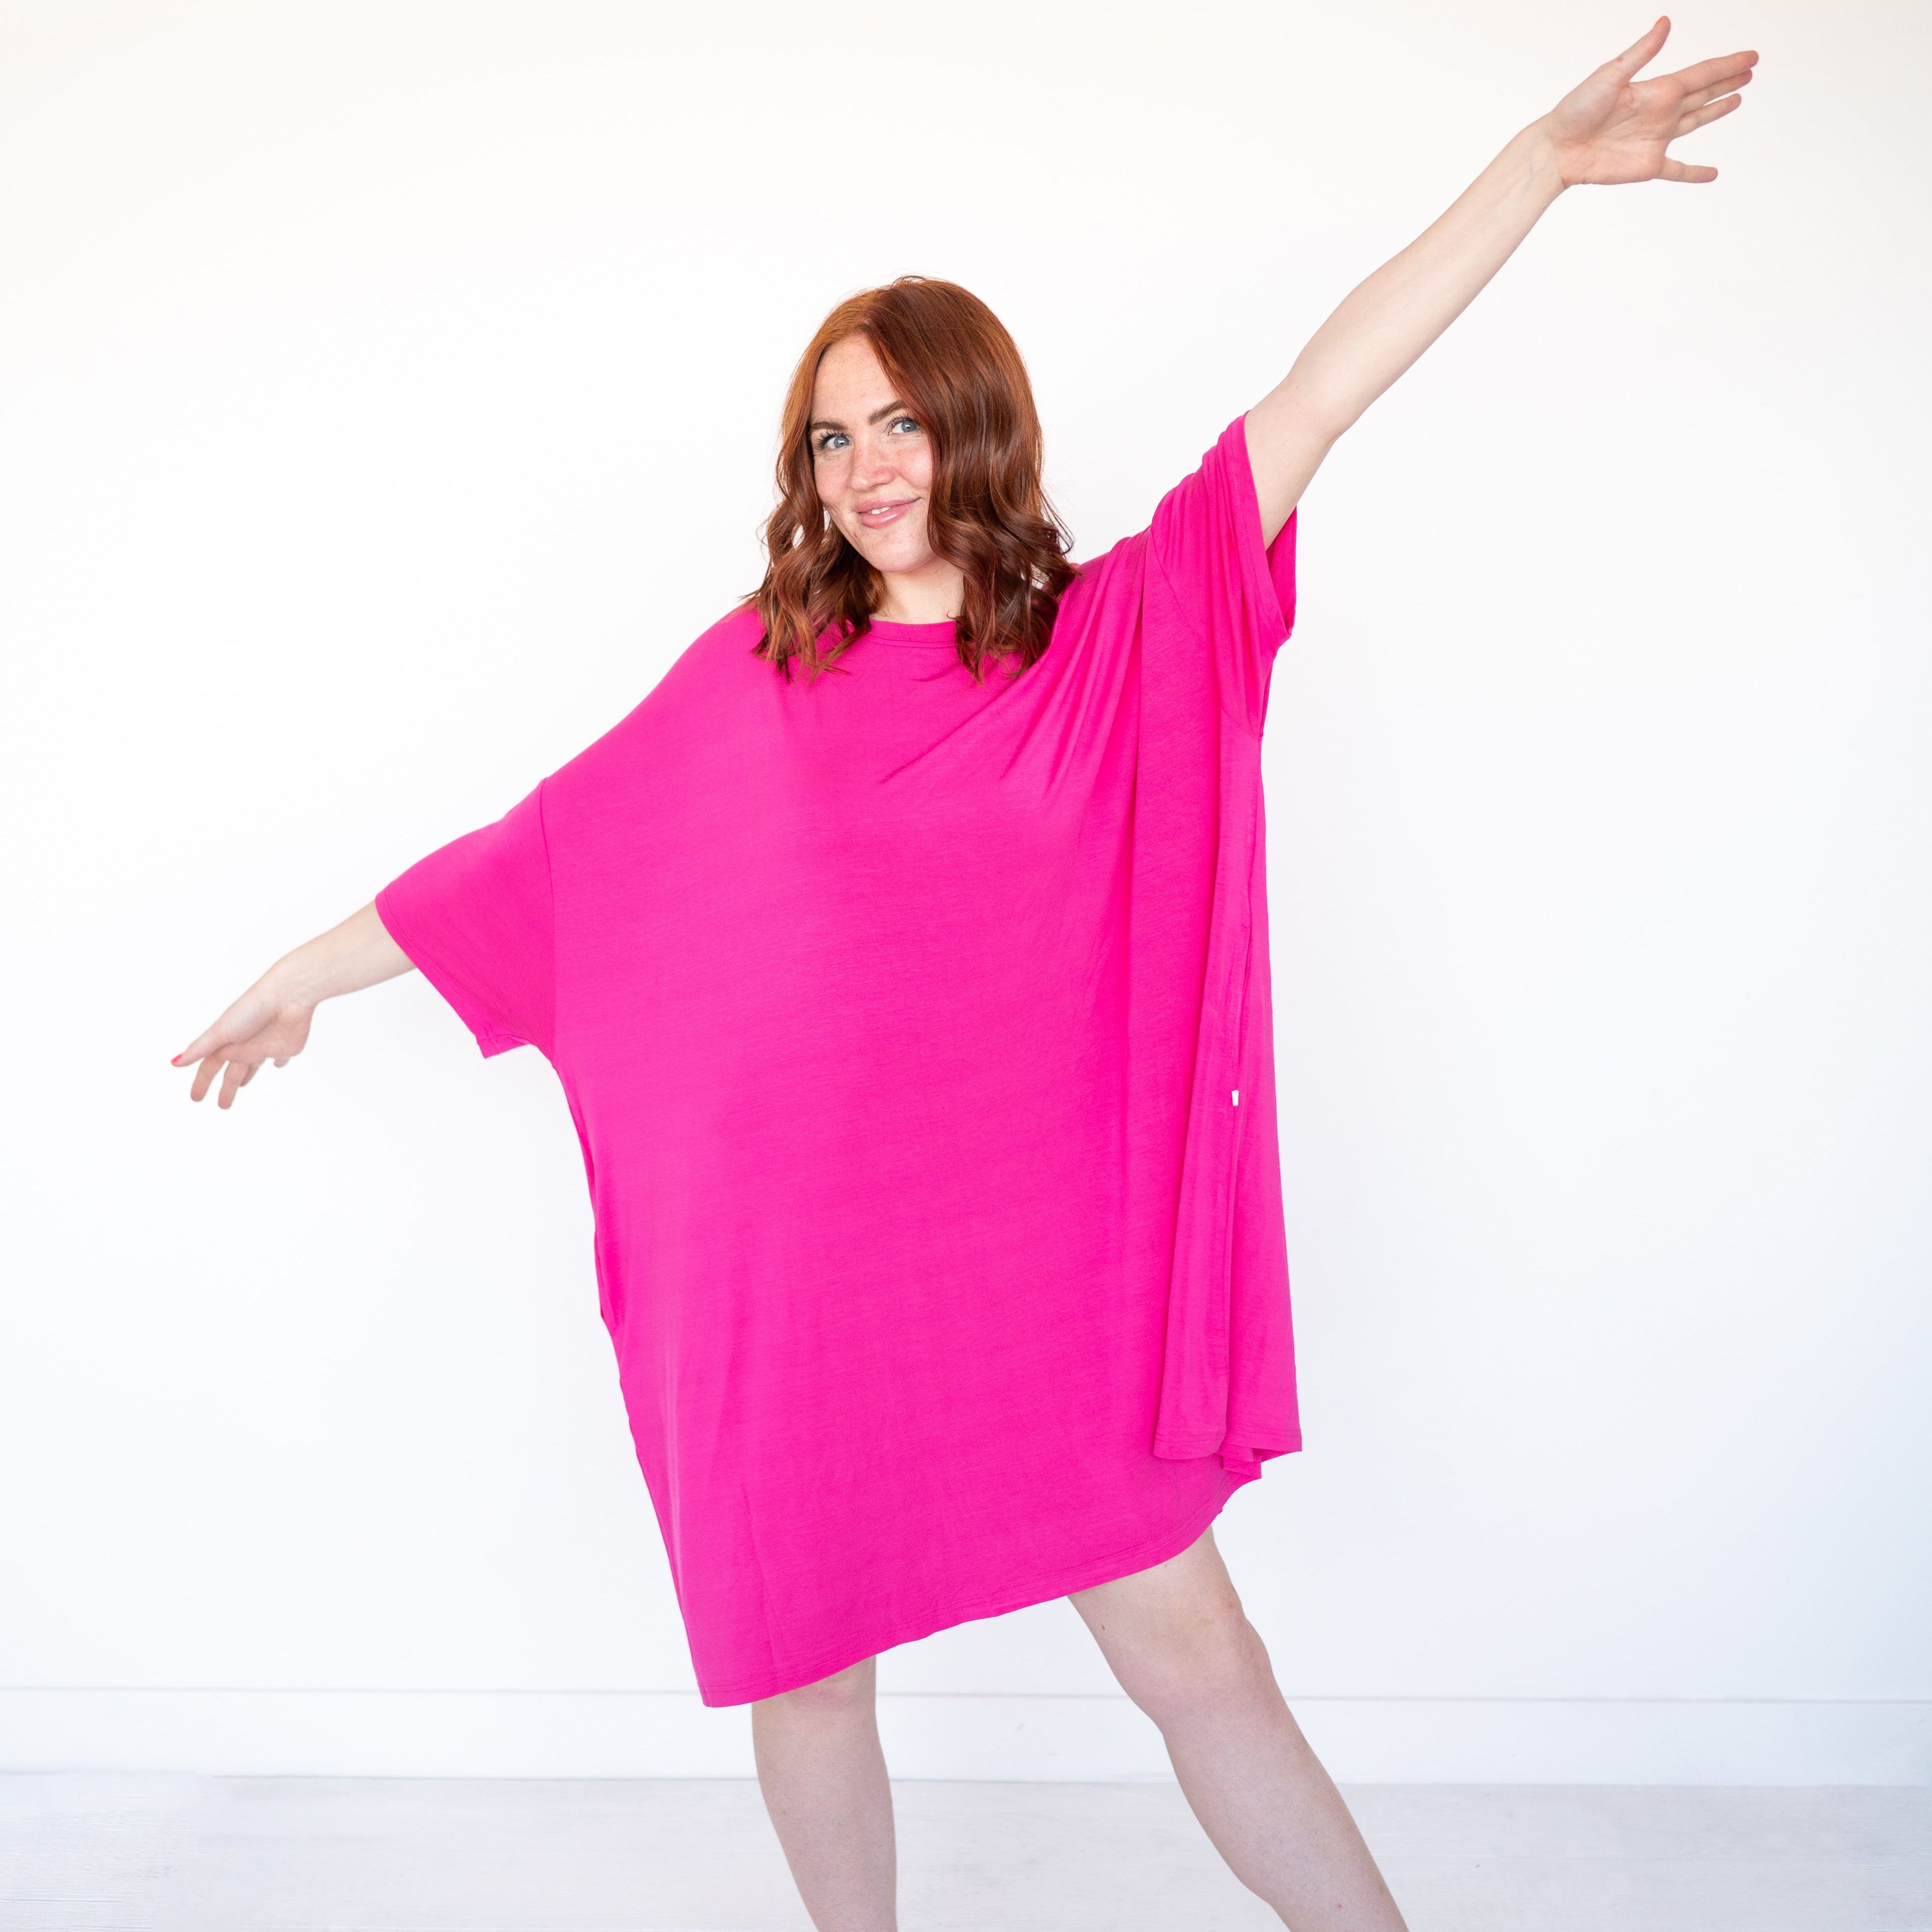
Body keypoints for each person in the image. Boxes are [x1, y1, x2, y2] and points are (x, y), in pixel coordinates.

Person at [174, 20, 1756, 1930]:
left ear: (974, 424)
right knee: (809, 1672)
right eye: (830, 436)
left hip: (1037, 1281)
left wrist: (1532, 165)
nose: (861, 468)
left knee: (1199, 1658)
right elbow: (546, 861)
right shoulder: (753, 679)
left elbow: (1321, 393)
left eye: (898, 423)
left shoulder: (1118, 641)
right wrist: (311, 972)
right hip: (800, 1286)